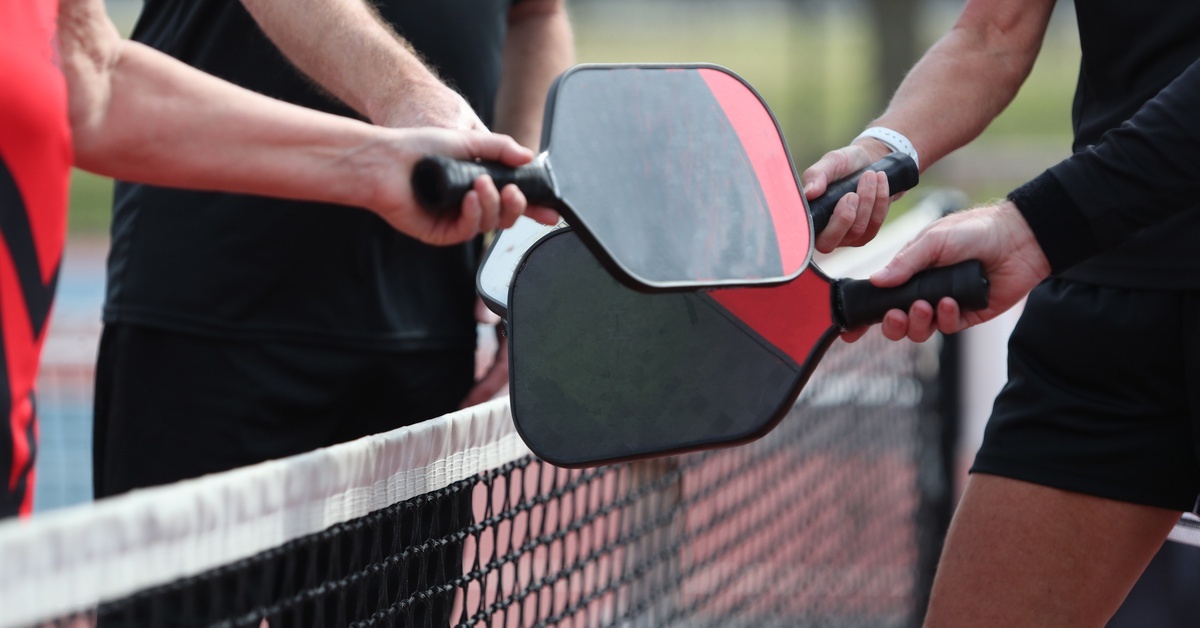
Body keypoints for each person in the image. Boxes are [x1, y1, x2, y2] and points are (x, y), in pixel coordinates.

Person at [0, 0, 549, 519]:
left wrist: (385, 170)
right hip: (213, 303)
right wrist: (405, 104)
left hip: (427, 317)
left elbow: (94, 79)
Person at [801, 0, 1200, 625]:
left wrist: (1036, 226)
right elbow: (992, 33)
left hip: (1070, 230)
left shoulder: (1046, 227)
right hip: (1101, 297)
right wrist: (884, 150)